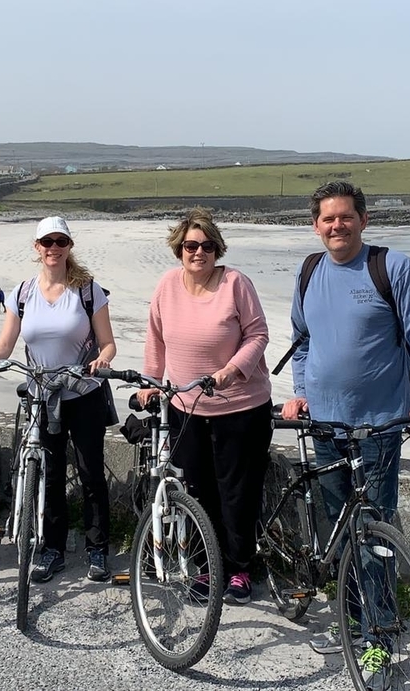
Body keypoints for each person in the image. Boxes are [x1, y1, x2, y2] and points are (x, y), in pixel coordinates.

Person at [280, 181, 410, 661]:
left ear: (363, 219)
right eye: (327, 219)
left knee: (375, 531)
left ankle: (378, 635)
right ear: (316, 226)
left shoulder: (391, 267)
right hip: (325, 427)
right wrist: (300, 393)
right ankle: (355, 618)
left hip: (378, 426)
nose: (337, 225)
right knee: (339, 530)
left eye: (346, 217)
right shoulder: (310, 270)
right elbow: (301, 340)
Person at [137, 208, 271, 604]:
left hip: (240, 407)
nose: (199, 252)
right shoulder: (166, 286)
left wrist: (233, 370)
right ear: (179, 250)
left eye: (207, 246)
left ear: (217, 249)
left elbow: (258, 334)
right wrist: (150, 383)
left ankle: (241, 569)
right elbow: (155, 339)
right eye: (191, 246)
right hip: (186, 407)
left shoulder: (235, 283)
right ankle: (209, 568)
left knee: (237, 492)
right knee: (197, 492)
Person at [0, 216, 118, 583]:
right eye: (47, 242)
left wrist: (102, 360)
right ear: (36, 247)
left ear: (70, 246)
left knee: (91, 474)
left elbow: (108, 342)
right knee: (50, 474)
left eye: (61, 241)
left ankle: (96, 548)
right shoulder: (22, 293)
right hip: (42, 397)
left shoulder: (88, 290)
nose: (53, 248)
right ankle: (52, 548)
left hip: (83, 393)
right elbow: (5, 345)